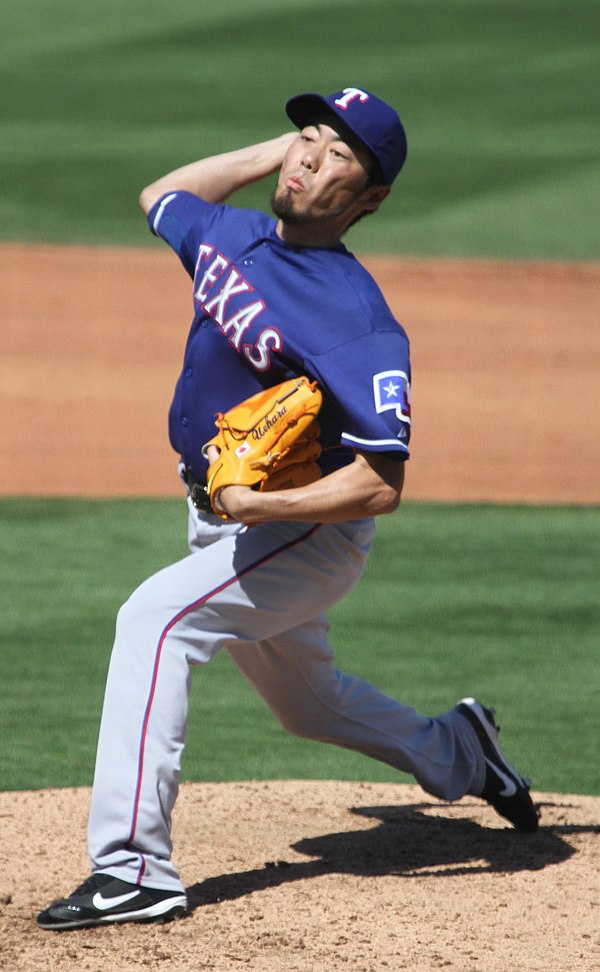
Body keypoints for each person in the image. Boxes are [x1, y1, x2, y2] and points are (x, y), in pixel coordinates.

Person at [38, 86, 538, 931]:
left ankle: (133, 869)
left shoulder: (359, 321)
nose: (310, 156)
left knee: (155, 621)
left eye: (337, 154)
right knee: (307, 707)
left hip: (305, 536)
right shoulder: (229, 234)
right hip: (233, 520)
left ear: (371, 199)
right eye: (305, 137)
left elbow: (383, 482)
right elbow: (161, 196)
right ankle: (463, 750)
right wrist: (280, 153)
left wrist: (270, 511)